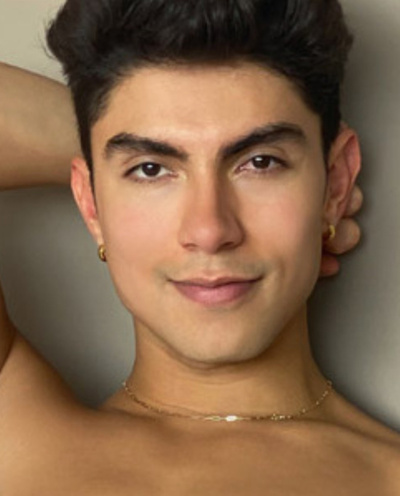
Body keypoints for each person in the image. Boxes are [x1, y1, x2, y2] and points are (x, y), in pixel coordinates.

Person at [0, 0, 398, 494]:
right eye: (150, 169)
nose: (210, 230)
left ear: (335, 183)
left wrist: (126, 147)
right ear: (90, 203)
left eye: (261, 162)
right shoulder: (19, 439)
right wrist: (99, 135)